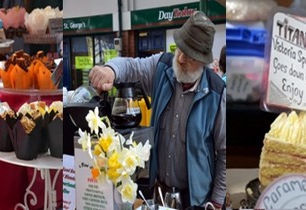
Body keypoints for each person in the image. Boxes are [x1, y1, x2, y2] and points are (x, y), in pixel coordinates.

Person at [89, 11, 225, 210]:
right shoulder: (162, 67)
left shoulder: (217, 93)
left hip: (196, 200)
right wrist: (110, 70)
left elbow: (223, 152)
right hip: (159, 192)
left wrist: (217, 200)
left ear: (202, 61)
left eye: (188, 56)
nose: (180, 59)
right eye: (180, 50)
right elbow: (131, 66)